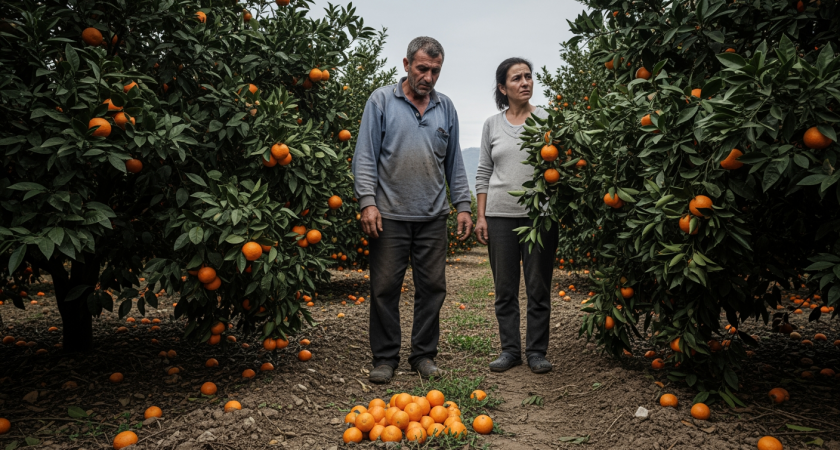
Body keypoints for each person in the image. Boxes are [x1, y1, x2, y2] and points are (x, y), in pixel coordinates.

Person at [352, 36, 473, 384]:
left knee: (433, 287)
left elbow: (454, 165)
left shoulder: (445, 107)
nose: (429, 77)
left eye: (436, 70)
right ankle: (385, 357)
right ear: (406, 65)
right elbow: (365, 156)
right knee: (385, 288)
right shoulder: (381, 101)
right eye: (423, 68)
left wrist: (462, 205)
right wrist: (367, 202)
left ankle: (423, 355)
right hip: (389, 215)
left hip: (433, 216)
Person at [473, 58, 558, 374]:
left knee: (538, 287)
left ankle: (536, 351)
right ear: (502, 87)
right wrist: (481, 216)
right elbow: (483, 170)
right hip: (499, 216)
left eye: (528, 76)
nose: (525, 82)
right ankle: (510, 350)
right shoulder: (492, 125)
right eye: (517, 78)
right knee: (504, 288)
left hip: (539, 217)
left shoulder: (547, 121)